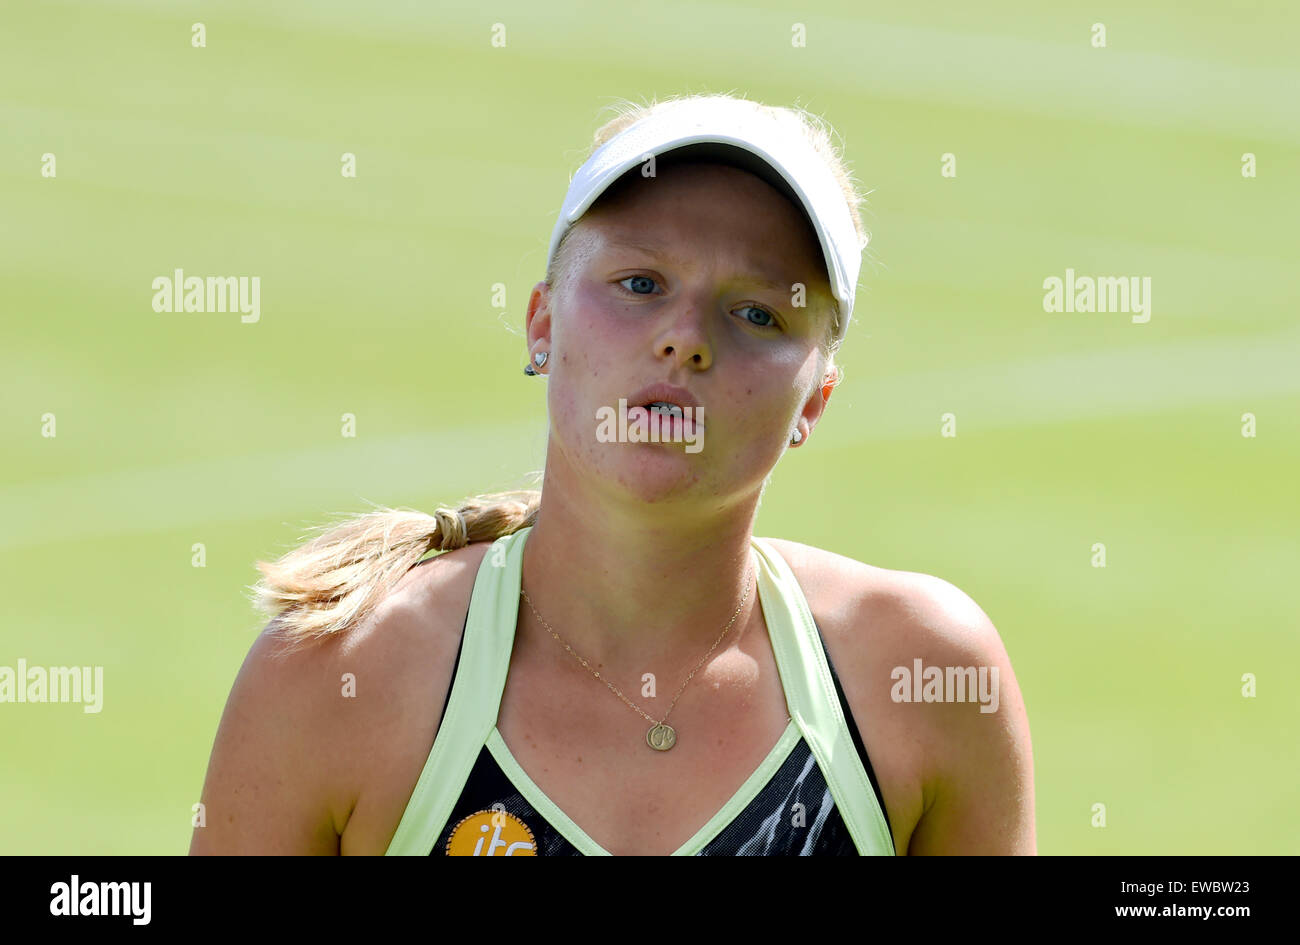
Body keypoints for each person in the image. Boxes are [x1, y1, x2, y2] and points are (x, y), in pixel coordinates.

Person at [190, 93, 1036, 856]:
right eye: (639, 282)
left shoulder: (924, 678)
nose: (685, 337)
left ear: (814, 399)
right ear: (541, 324)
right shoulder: (338, 675)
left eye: (757, 313)